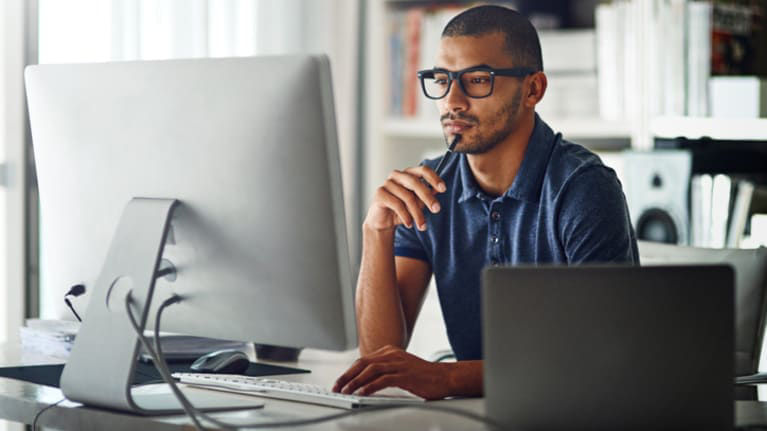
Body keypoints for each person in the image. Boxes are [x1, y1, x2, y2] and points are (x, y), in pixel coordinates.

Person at [332, 5, 639, 400]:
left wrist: (447, 378)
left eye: (477, 80)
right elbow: (379, 358)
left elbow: (600, 359)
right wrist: (375, 231)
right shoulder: (428, 188)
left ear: (533, 89)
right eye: (441, 80)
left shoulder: (583, 189)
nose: (452, 101)